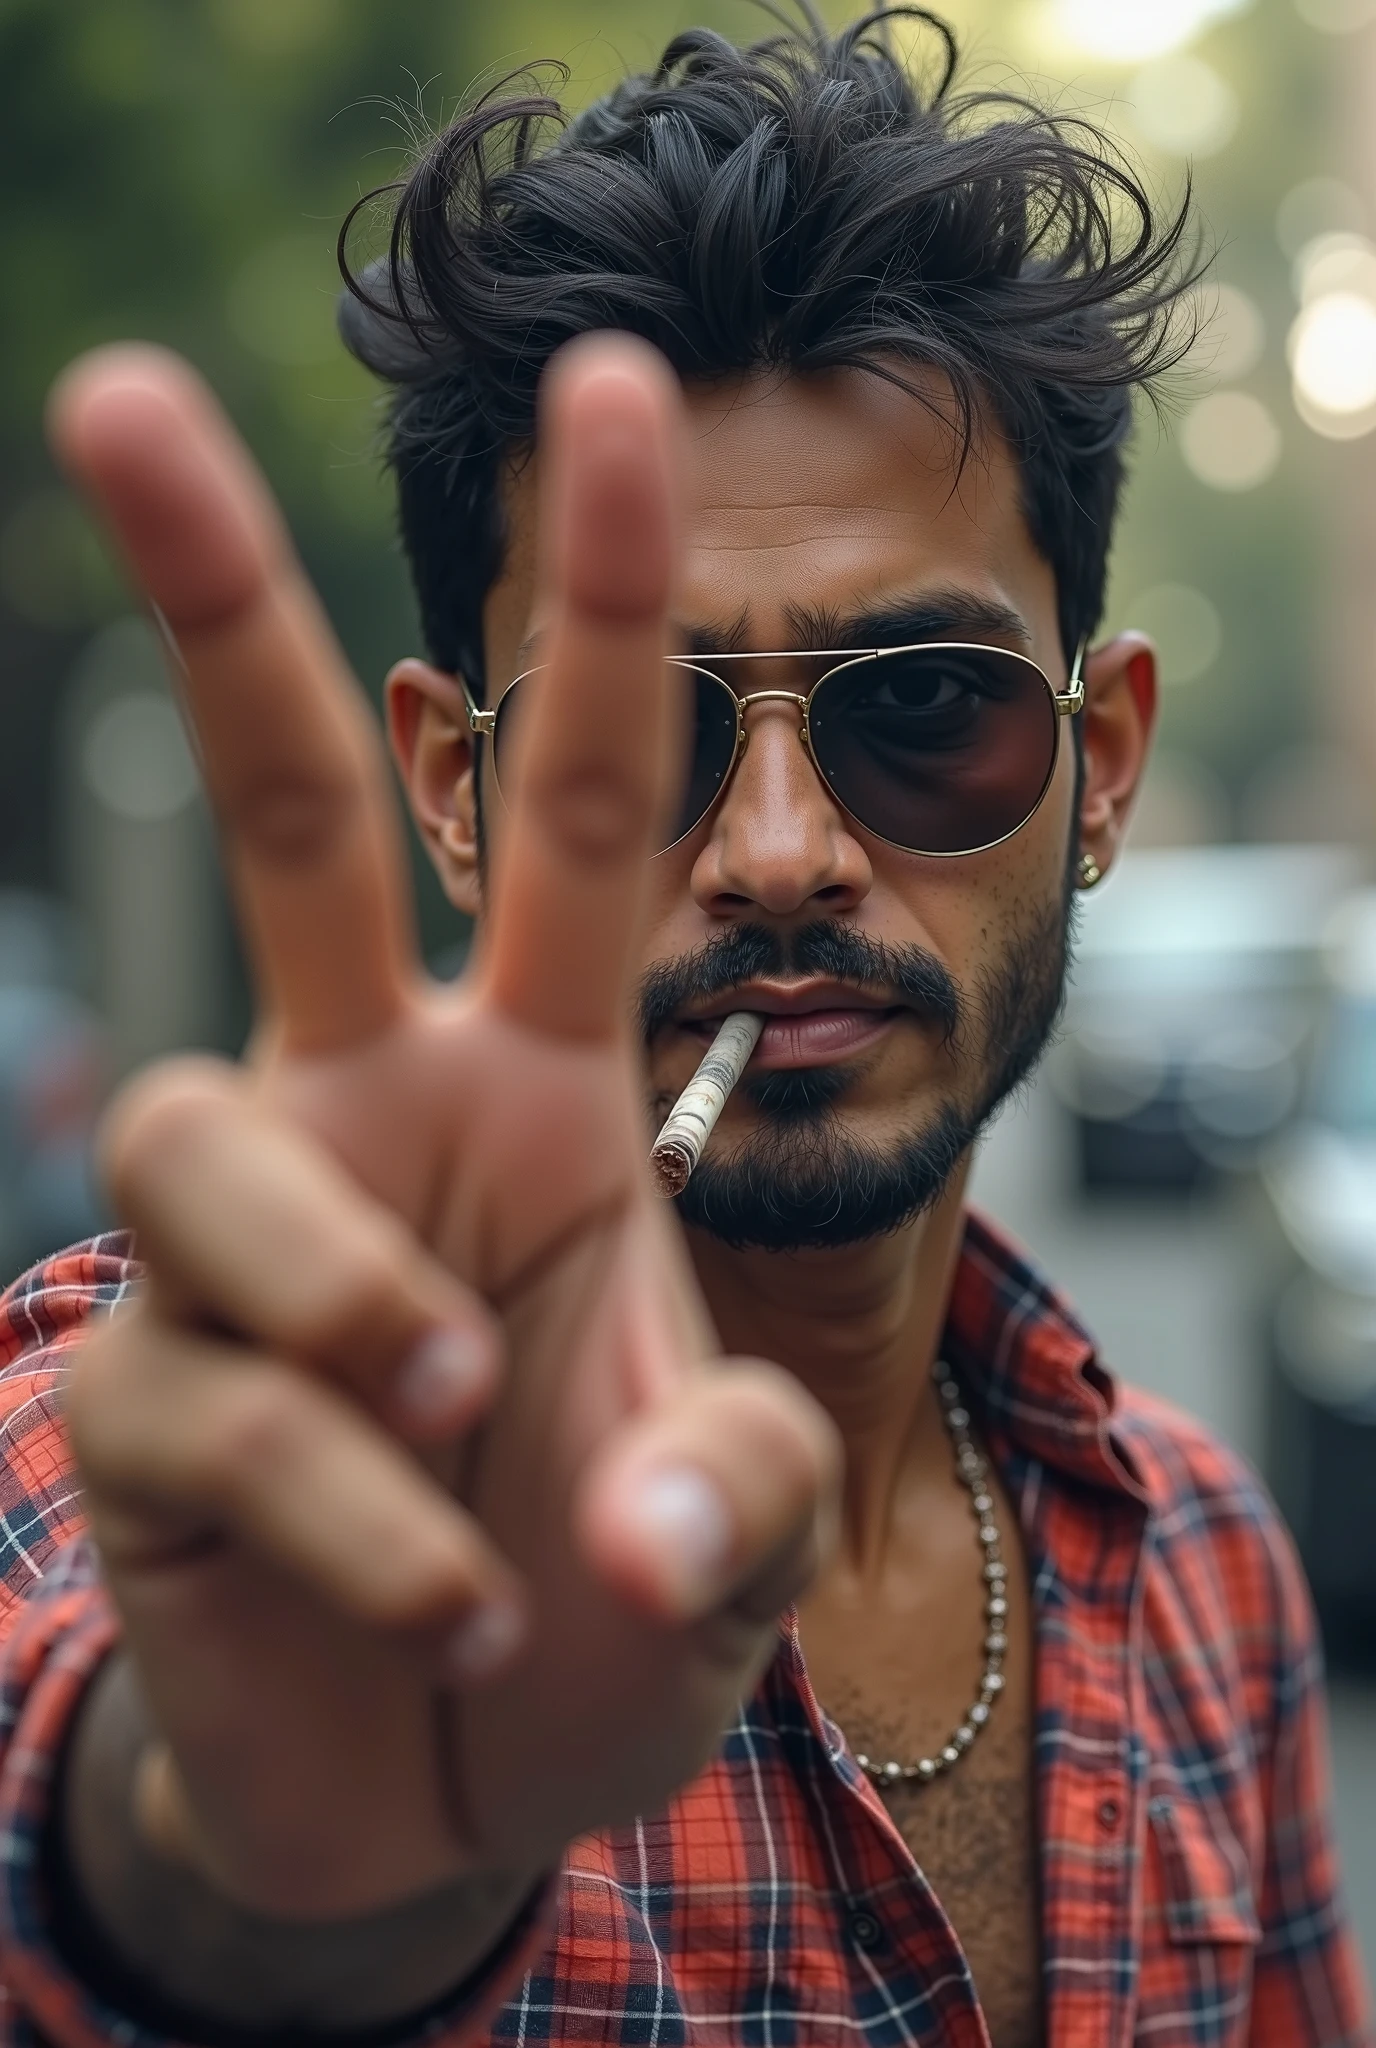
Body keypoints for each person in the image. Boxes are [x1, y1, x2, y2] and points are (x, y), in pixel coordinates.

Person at [0, 10, 1368, 2046]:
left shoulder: (1205, 1571)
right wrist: (262, 1876)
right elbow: (115, 1777)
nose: (784, 851)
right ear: (456, 790)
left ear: (1099, 767)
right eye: (643, 728)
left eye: (921, 705)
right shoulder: (194, 1445)